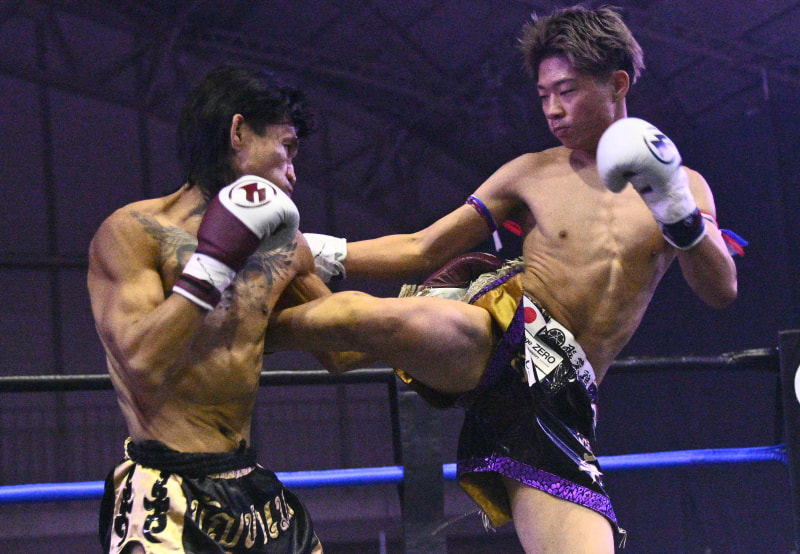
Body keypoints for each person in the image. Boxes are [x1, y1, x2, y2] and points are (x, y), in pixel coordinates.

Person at [261, 6, 739, 553]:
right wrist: (317, 251)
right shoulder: (531, 172)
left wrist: (676, 211)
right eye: (544, 95)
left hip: (559, 405)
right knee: (363, 318)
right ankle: (240, 321)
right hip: (507, 341)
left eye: (567, 91)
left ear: (618, 84)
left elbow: (721, 289)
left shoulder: (684, 185)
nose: (553, 109)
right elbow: (422, 247)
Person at [87, 64, 363, 554]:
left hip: (252, 489)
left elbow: (346, 348)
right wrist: (216, 263)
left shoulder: (279, 246)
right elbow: (141, 361)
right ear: (238, 132)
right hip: (166, 492)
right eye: (287, 147)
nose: (293, 171)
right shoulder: (134, 231)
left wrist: (446, 307)